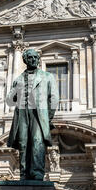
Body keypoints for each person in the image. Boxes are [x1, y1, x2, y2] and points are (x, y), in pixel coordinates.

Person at [6, 49, 59, 181]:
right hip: (22, 114)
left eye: (36, 57)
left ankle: (37, 172)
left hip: (39, 114)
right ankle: (24, 173)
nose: (34, 59)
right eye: (30, 57)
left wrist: (47, 117)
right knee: (23, 143)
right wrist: (16, 90)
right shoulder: (18, 79)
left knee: (37, 142)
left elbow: (54, 98)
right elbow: (9, 100)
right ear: (25, 60)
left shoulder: (47, 76)